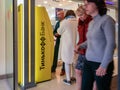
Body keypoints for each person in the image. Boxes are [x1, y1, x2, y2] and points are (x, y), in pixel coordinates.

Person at [74, 0, 116, 90]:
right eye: (84, 5)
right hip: (88, 62)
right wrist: (80, 46)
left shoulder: (107, 20)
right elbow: (90, 41)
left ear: (97, 4)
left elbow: (111, 44)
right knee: (85, 87)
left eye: (87, 4)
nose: (85, 7)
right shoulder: (92, 23)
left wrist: (104, 65)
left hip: (100, 63)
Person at [75, 5, 96, 90]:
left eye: (81, 15)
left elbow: (93, 38)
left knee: (94, 74)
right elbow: (80, 36)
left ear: (87, 13)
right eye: (79, 16)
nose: (80, 17)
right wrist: (78, 45)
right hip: (82, 51)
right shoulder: (80, 21)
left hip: (92, 51)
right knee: (78, 71)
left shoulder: (93, 21)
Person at [56, 10, 78, 85]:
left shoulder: (65, 22)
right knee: (74, 62)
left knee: (67, 62)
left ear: (66, 15)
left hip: (67, 46)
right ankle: (74, 77)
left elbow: (59, 32)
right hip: (76, 45)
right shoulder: (78, 21)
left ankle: (68, 80)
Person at [51, 10, 65, 76]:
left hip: (65, 41)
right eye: (57, 14)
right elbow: (54, 31)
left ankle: (63, 69)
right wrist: (55, 34)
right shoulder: (58, 23)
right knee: (55, 54)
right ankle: (53, 68)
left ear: (63, 14)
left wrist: (60, 34)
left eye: (59, 14)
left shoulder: (66, 22)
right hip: (58, 41)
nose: (58, 16)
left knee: (65, 56)